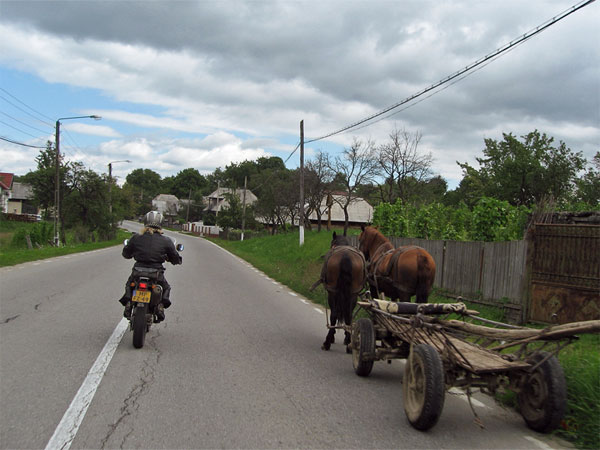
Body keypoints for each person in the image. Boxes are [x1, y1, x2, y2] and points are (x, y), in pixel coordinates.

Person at [118, 211, 182, 322]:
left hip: (138, 271)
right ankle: (160, 306)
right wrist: (175, 260)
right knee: (166, 288)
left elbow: (126, 254)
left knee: (130, 284)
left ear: (145, 222)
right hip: (155, 273)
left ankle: (128, 302)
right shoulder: (166, 240)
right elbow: (175, 258)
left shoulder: (136, 238)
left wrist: (133, 253)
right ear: (161, 223)